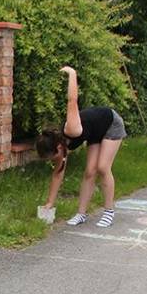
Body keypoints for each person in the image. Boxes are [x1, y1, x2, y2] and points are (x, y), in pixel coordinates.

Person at [35, 66, 127, 228]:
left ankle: (108, 212)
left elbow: (72, 100)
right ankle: (81, 214)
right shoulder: (61, 149)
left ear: (57, 147)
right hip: (95, 132)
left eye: (52, 156)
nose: (53, 160)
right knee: (89, 171)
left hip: (111, 124)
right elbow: (57, 176)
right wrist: (49, 203)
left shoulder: (72, 128)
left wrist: (72, 74)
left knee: (103, 168)